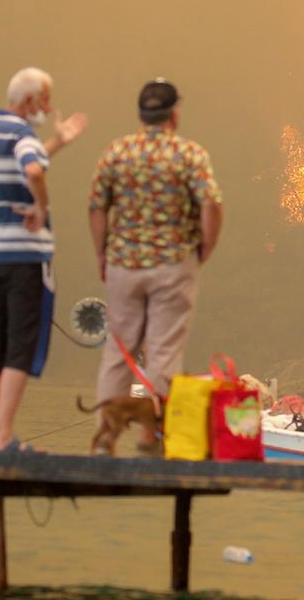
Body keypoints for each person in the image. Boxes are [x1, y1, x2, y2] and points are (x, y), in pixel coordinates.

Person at [0, 67, 88, 451]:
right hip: (25, 257)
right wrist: (41, 206)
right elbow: (33, 169)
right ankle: (2, 436)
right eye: (46, 99)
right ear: (30, 100)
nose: (49, 106)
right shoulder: (22, 134)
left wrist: (56, 142)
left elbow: (26, 163)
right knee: (20, 346)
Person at [88, 79, 223, 409]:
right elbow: (211, 205)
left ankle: (106, 438)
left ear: (140, 115)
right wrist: (206, 246)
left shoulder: (117, 152)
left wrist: (102, 253)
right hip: (173, 265)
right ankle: (155, 437)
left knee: (120, 350)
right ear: (174, 114)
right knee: (164, 351)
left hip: (124, 264)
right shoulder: (189, 154)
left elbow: (96, 206)